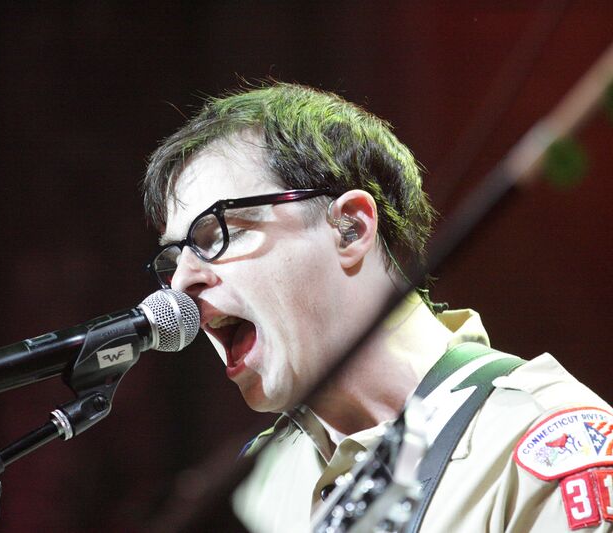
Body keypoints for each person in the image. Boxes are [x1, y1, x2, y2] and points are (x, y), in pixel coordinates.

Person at [141, 83, 613, 532]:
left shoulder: (543, 446)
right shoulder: (258, 482)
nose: (181, 282)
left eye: (218, 234)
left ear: (350, 228)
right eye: (174, 258)